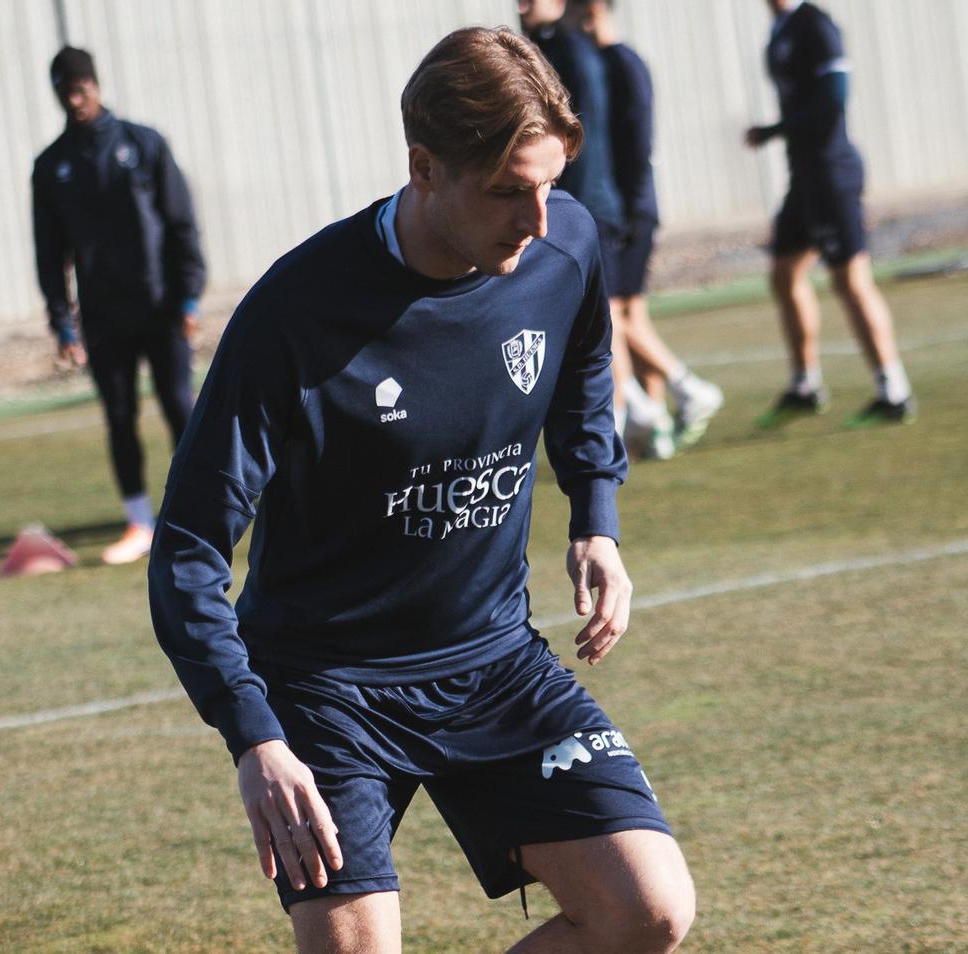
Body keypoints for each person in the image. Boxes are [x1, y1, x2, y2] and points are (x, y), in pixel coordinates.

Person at [148, 26, 694, 953]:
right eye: (508, 191)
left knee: (647, 912)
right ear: (425, 166)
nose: (536, 216)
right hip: (328, 687)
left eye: (550, 185)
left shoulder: (562, 246)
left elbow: (587, 367)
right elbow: (189, 549)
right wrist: (256, 739)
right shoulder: (297, 313)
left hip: (493, 661)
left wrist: (595, 515)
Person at [520, 0, 723, 460]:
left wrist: (617, 209)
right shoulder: (582, 53)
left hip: (610, 207)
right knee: (621, 316)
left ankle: (658, 403)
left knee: (607, 319)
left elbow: (623, 141)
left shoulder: (585, 55)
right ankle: (651, 415)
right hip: (613, 204)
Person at [32, 47, 206, 565]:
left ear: (97, 86)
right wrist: (63, 323)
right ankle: (139, 524)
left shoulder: (142, 144)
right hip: (105, 318)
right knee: (120, 416)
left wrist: (190, 293)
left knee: (182, 409)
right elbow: (49, 253)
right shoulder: (51, 167)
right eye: (66, 90)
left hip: (161, 306)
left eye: (81, 87)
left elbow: (180, 223)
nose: (75, 98)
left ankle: (202, 512)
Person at [746, 0, 915, 426]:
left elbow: (832, 101)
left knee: (850, 279)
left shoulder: (816, 25)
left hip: (830, 172)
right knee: (785, 273)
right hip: (803, 175)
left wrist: (773, 130)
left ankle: (893, 391)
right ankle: (806, 385)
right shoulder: (782, 29)